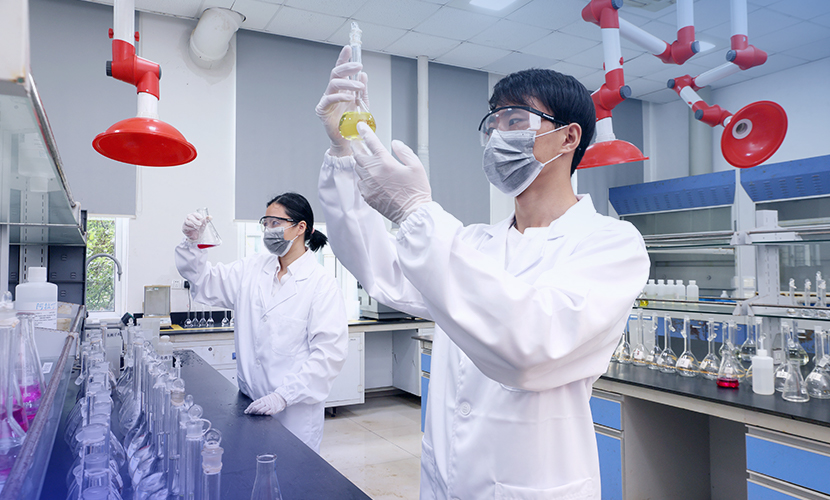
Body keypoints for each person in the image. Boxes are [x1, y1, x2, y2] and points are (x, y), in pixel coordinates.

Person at [315, 46, 650, 498]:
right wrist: (345, 148)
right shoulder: (474, 243)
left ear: (569, 137)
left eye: (514, 120)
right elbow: (381, 269)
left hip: (532, 484)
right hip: (445, 479)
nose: (496, 136)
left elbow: (530, 346)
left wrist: (417, 213)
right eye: (492, 124)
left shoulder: (611, 243)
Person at [175, 193, 348, 452]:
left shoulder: (322, 284)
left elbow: (329, 355)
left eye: (275, 223)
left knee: (292, 472)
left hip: (294, 412)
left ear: (300, 227)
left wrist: (283, 396)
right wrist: (192, 242)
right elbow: (204, 281)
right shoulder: (252, 269)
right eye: (265, 223)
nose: (268, 230)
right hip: (249, 404)